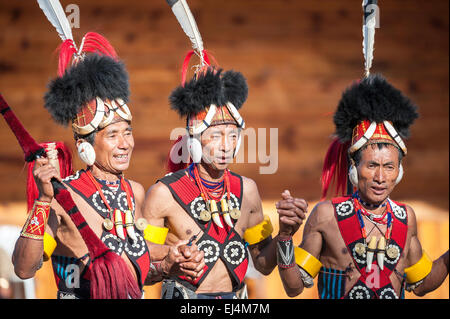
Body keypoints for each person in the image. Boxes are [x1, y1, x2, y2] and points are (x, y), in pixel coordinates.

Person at [10, 3, 203, 299]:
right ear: (85, 146)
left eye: (128, 132)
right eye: (113, 135)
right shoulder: (64, 196)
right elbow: (24, 269)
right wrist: (43, 201)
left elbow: (136, 266)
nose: (125, 143)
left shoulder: (135, 192)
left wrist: (169, 263)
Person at [277, 74, 449, 299]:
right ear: (354, 166)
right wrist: (285, 237)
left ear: (399, 171)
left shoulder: (405, 218)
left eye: (389, 167)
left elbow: (422, 282)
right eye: (371, 165)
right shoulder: (327, 215)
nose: (380, 176)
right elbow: (294, 287)